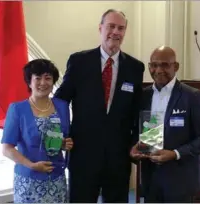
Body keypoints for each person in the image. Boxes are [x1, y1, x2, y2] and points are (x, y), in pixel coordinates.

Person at [54, 9, 145, 203]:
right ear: (100, 28)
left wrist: (138, 143)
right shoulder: (79, 61)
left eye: (121, 28)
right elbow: (61, 100)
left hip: (118, 157)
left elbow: (139, 109)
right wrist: (60, 136)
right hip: (83, 154)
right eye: (111, 26)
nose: (115, 32)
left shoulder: (136, 67)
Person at [130, 46, 200, 202]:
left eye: (165, 65)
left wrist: (175, 153)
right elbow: (139, 132)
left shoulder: (192, 96)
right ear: (149, 67)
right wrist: (134, 149)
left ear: (176, 67)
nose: (159, 70)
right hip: (151, 180)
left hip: (181, 181)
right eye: (154, 65)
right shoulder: (143, 96)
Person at [1, 59, 73, 203]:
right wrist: (31, 165)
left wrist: (64, 144)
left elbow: (61, 138)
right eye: (37, 78)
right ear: (29, 82)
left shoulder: (63, 106)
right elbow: (7, 148)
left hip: (56, 179)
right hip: (28, 180)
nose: (43, 83)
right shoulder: (17, 109)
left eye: (48, 78)